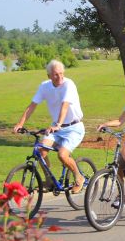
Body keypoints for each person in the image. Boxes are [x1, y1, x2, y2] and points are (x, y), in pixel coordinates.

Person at [13, 59, 86, 193]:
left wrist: (58, 124)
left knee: (62, 155)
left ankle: (79, 177)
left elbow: (64, 106)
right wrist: (20, 123)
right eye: (56, 74)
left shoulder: (68, 84)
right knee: (40, 151)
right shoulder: (44, 86)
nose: (60, 77)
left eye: (61, 74)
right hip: (56, 128)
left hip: (74, 128)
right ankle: (49, 180)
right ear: (49, 76)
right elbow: (32, 106)